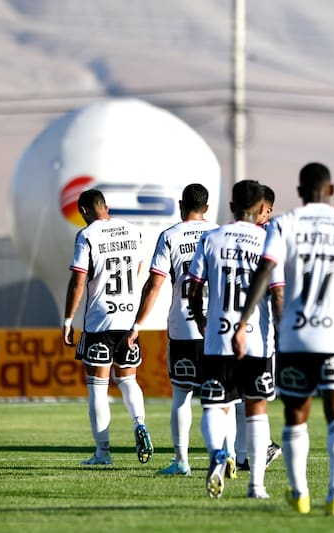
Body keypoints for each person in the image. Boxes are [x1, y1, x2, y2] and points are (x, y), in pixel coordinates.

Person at [232, 162, 334, 519]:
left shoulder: (284, 223)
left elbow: (264, 273)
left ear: (299, 191)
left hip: (297, 336)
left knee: (296, 416)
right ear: (330, 191)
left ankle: (299, 493)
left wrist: (242, 321)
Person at [186, 179, 281, 500]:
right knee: (257, 409)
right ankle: (257, 486)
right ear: (260, 209)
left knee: (215, 405)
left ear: (231, 207)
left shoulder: (210, 238)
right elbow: (278, 292)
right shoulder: (270, 240)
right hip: (258, 338)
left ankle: (216, 454)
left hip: (219, 335)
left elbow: (193, 286)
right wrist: (282, 331)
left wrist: (200, 319)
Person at [125, 183, 217, 477]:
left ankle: (181, 461)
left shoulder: (170, 236)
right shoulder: (218, 234)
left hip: (184, 326)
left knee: (182, 396)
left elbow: (155, 284)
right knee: (226, 399)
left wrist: (137, 325)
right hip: (218, 327)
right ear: (207, 207)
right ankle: (230, 456)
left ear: (181, 205)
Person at [62, 188, 153, 466]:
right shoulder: (132, 230)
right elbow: (137, 268)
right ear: (107, 207)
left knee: (98, 388)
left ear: (84, 212)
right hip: (128, 321)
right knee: (128, 381)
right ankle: (139, 423)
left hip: (100, 320)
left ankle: (102, 454)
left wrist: (68, 320)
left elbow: (79, 281)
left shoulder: (87, 235)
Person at [234, 184, 283, 473]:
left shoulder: (273, 239)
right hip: (238, 325)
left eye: (263, 209)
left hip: (261, 329)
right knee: (238, 397)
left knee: (251, 397)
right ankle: (244, 455)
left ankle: (257, 450)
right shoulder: (242, 235)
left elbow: (278, 287)